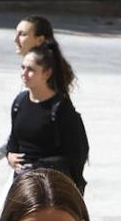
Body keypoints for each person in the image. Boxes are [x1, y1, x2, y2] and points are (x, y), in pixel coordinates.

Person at [0, 15, 59, 180]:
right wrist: (8, 153)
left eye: (22, 34)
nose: (15, 39)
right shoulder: (27, 84)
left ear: (39, 39)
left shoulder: (46, 90)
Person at [5, 42, 89, 192]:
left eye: (31, 70)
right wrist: (9, 155)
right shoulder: (20, 102)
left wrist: (38, 166)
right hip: (22, 182)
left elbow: (75, 155)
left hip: (52, 186)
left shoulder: (60, 108)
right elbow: (14, 138)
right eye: (23, 67)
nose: (24, 74)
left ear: (47, 73)